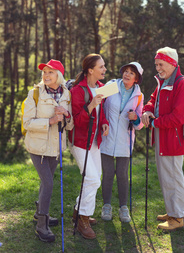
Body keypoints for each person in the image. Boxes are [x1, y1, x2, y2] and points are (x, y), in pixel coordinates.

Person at [141, 47, 184, 231]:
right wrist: (147, 110)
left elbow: (179, 117)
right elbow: (152, 100)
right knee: (165, 177)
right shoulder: (163, 82)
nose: (158, 69)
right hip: (162, 137)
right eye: (156, 65)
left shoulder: (182, 84)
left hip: (174, 139)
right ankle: (172, 211)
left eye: (160, 64)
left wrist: (154, 123)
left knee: (173, 177)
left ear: (172, 63)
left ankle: (177, 217)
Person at [23, 59, 73, 242]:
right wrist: (50, 121)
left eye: (50, 72)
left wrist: (66, 115)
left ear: (59, 75)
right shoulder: (34, 93)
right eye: (44, 72)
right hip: (38, 147)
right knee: (49, 183)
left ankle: (39, 213)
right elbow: (27, 123)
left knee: (46, 182)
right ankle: (42, 226)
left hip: (56, 148)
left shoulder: (66, 93)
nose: (46, 75)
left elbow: (70, 124)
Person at [68, 53, 109, 239]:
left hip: (94, 141)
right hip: (79, 141)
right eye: (101, 66)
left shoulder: (102, 88)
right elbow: (76, 121)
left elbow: (103, 112)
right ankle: (82, 219)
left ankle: (78, 210)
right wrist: (91, 105)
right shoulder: (77, 91)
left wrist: (104, 123)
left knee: (95, 178)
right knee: (92, 178)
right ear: (90, 70)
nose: (105, 70)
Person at [100, 62, 144, 222]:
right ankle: (106, 206)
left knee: (122, 174)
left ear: (136, 78)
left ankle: (123, 208)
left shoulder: (139, 95)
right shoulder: (112, 86)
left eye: (131, 73)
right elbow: (96, 100)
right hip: (107, 137)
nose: (127, 74)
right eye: (125, 71)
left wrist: (136, 118)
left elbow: (140, 124)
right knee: (108, 173)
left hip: (125, 141)